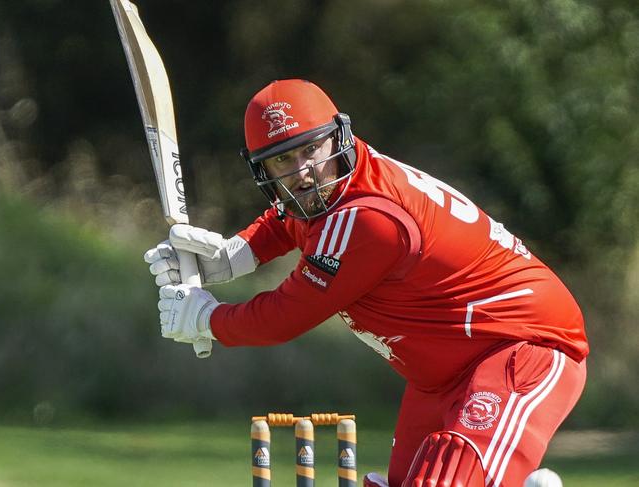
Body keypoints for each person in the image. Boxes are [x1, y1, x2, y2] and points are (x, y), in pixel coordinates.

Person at [144, 79, 588, 487]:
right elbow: (293, 221)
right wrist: (232, 256)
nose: (302, 172)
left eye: (309, 150)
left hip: (521, 349)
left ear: (336, 138)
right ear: (264, 170)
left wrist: (207, 319)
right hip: (441, 374)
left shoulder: (368, 219)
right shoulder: (333, 190)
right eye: (283, 159)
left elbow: (285, 315)